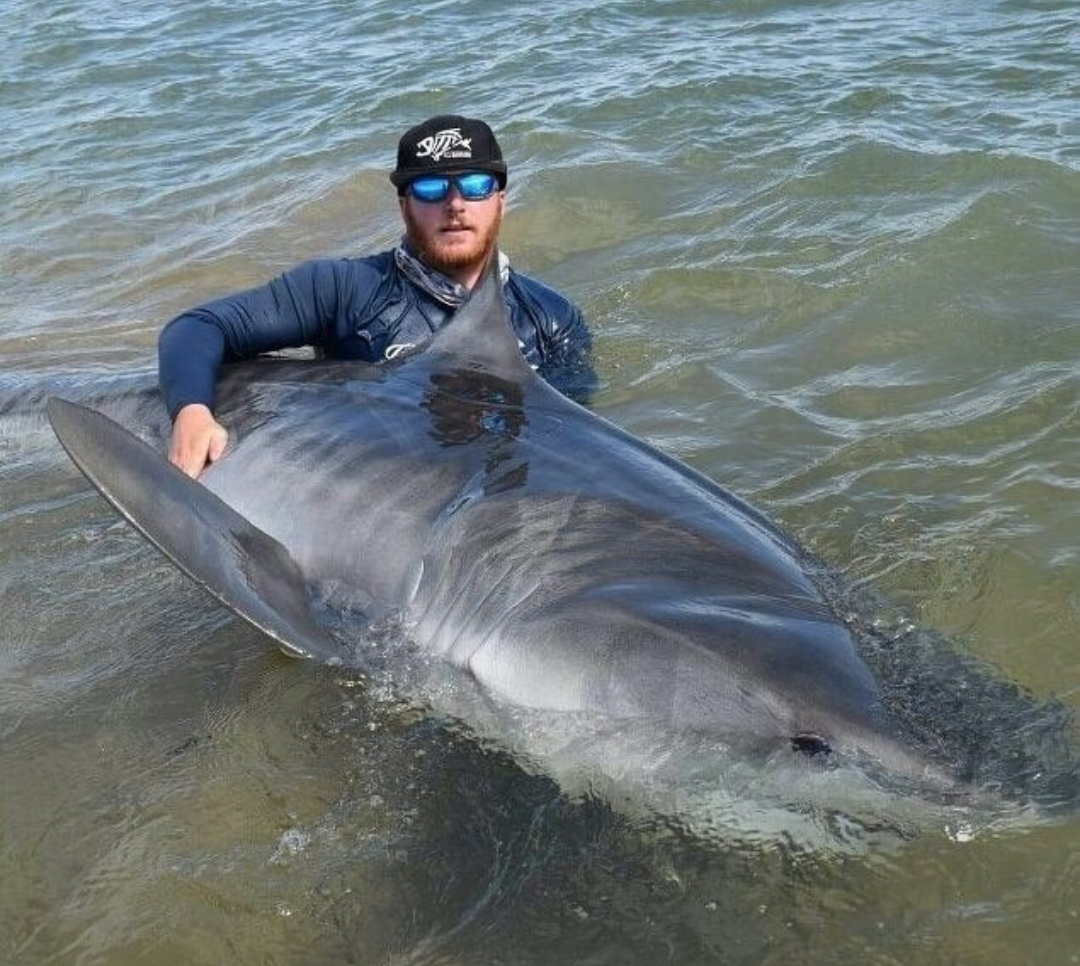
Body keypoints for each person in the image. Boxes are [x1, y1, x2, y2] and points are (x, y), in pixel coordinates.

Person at [159, 114, 596, 478]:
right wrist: (191, 411)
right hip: (374, 491)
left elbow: (568, 438)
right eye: (430, 188)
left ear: (499, 201)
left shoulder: (551, 319)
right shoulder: (343, 289)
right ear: (404, 205)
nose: (455, 204)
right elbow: (198, 327)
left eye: (476, 185)